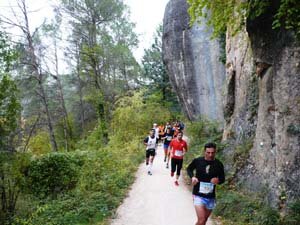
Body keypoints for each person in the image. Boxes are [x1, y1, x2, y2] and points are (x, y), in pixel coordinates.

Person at [186, 142, 225, 225]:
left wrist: (218, 180)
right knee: (202, 219)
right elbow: (189, 169)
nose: (210, 155)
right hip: (198, 194)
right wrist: (192, 177)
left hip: (210, 197)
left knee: (203, 221)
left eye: (212, 153)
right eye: (208, 152)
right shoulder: (198, 161)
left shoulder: (219, 164)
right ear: (204, 151)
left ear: (215, 152)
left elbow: (222, 179)